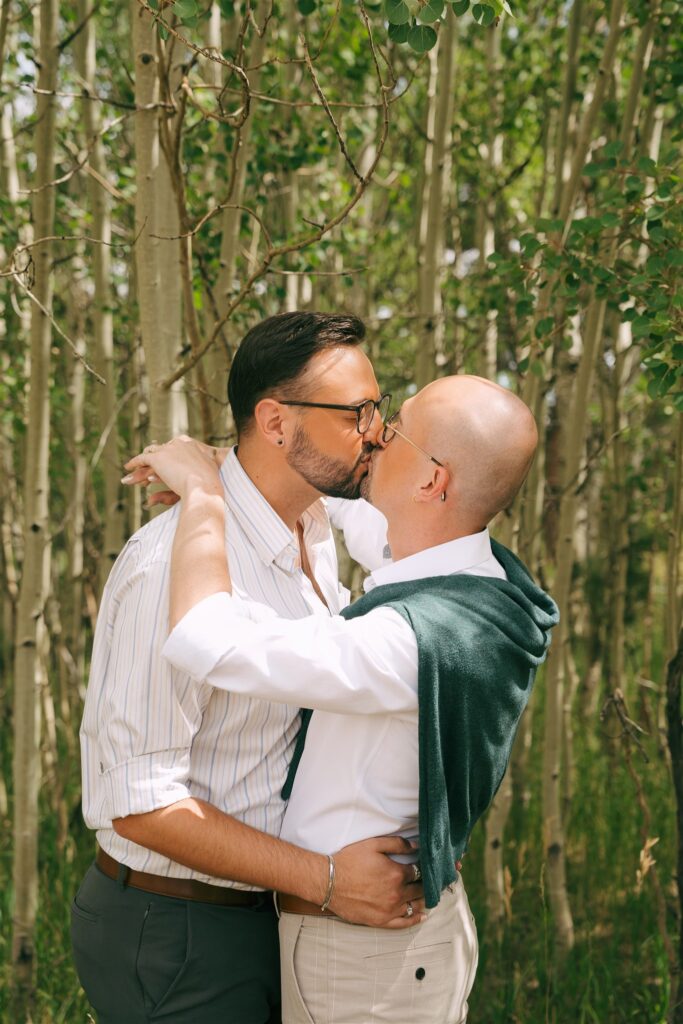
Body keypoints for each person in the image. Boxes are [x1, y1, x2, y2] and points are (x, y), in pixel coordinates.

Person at [126, 374, 560, 1024]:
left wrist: (204, 496)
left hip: (364, 965)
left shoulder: (403, 644)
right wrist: (245, 469)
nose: (373, 436)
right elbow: (358, 515)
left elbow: (205, 639)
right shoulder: (476, 573)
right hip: (402, 943)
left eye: (395, 431)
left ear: (432, 481)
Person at [71, 312, 424, 1024]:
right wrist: (326, 880)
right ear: (274, 421)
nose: (376, 431)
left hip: (263, 915)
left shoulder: (315, 531)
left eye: (378, 409)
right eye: (357, 413)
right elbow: (139, 802)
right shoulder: (167, 567)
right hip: (175, 929)